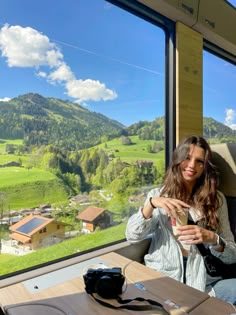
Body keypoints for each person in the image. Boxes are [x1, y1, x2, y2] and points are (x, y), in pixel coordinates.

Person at [126, 135, 236, 305]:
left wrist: (212, 238)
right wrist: (151, 204)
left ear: (205, 167)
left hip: (204, 284)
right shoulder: (158, 195)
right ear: (178, 160)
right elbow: (132, 236)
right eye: (187, 158)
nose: (192, 165)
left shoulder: (216, 200)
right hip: (163, 280)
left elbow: (232, 256)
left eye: (199, 161)